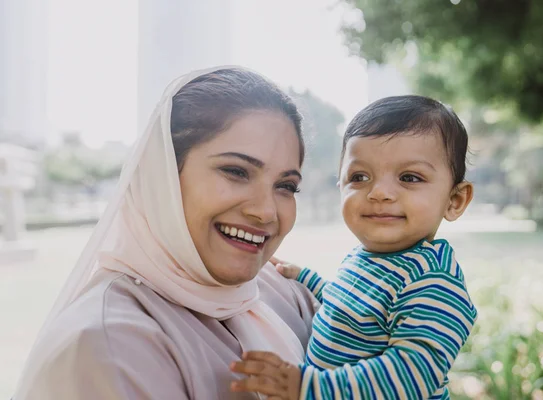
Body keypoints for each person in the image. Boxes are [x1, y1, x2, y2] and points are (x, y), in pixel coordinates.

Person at [13, 67, 320, 400]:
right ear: (164, 176)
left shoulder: (285, 293)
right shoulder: (110, 345)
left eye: (286, 186)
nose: (266, 211)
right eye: (236, 171)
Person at [231, 96, 478, 399]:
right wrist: (306, 277)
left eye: (409, 177)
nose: (380, 192)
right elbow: (352, 306)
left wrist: (307, 387)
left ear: (455, 201)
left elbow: (411, 375)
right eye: (359, 177)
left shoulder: (433, 281)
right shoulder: (368, 257)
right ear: (341, 187)